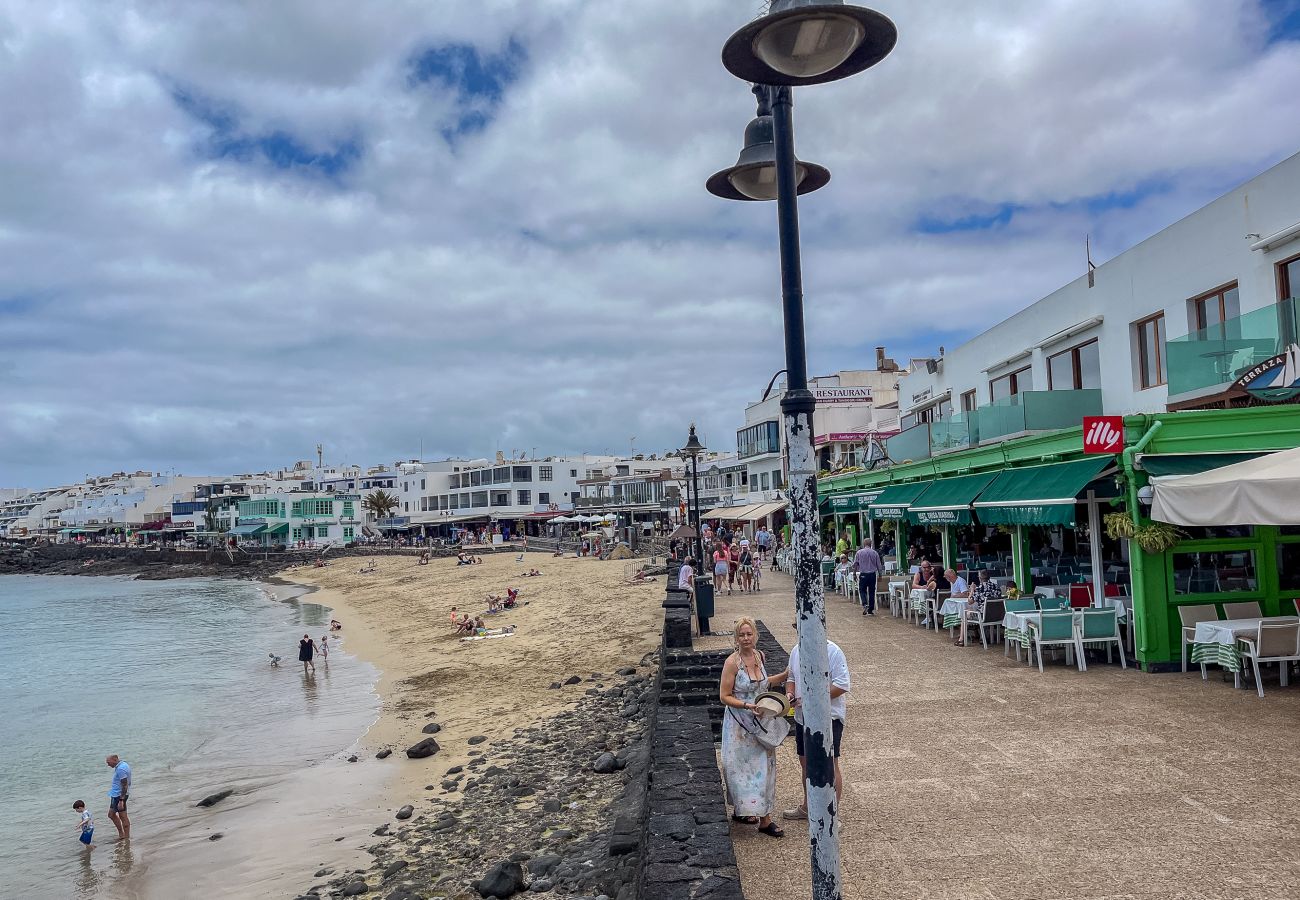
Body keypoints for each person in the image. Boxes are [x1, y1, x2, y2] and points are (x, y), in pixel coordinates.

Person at [719, 617, 788, 838]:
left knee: (763, 768)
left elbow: (764, 684)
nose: (746, 638)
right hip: (739, 724)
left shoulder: (760, 656)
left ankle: (765, 819)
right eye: (742, 635)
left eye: (749, 634)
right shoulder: (732, 663)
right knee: (738, 768)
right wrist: (747, 704)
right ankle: (744, 808)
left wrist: (787, 674)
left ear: (755, 636)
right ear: (736, 638)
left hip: (760, 722)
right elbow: (724, 696)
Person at [783, 637, 850, 822]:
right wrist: (790, 693)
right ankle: (808, 806)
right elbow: (791, 677)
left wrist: (812, 698)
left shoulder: (833, 651)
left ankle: (832, 814)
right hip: (802, 716)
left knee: (830, 763)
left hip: (829, 717)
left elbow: (842, 685)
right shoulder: (796, 649)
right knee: (805, 761)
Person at [958, 570, 1004, 647]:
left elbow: (970, 601)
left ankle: (962, 639)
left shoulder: (979, 589)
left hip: (984, 616)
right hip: (997, 616)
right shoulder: (996, 587)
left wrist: (972, 590)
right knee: (982, 610)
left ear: (979, 578)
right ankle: (982, 637)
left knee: (965, 613)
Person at [852, 538, 883, 616]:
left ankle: (865, 604)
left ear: (864, 544)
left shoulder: (859, 553)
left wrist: (854, 574)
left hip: (863, 574)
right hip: (872, 574)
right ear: (871, 544)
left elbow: (855, 564)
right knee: (872, 591)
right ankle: (870, 609)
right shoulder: (875, 553)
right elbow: (879, 565)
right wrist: (880, 574)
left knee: (862, 590)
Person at [105, 754, 131, 841]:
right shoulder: (123, 765)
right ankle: (123, 835)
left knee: (122, 816)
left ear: (115, 759)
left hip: (119, 795)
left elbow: (125, 784)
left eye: (108, 762)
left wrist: (121, 800)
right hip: (117, 794)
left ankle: (125, 837)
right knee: (112, 814)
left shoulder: (120, 769)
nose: (108, 765)